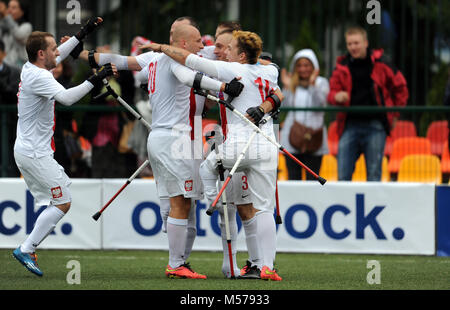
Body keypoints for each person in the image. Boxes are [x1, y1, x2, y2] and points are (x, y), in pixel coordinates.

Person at [82, 24, 244, 279]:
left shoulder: (154, 58)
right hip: (176, 138)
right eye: (198, 41)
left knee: (181, 203)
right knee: (181, 202)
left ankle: (180, 260)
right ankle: (176, 263)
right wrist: (223, 89)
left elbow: (120, 61)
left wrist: (83, 54)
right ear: (182, 44)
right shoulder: (172, 59)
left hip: (166, 137)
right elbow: (189, 78)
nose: (204, 46)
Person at [142, 30, 285, 281]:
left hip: (240, 144)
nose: (224, 52)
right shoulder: (271, 71)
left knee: (207, 169)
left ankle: (213, 200)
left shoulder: (231, 70)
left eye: (230, 49)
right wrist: (266, 104)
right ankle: (268, 267)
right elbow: (276, 84)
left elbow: (191, 61)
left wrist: (162, 47)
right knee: (264, 209)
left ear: (241, 55)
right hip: (266, 145)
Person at [11, 18, 115, 277]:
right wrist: (97, 78)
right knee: (63, 201)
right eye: (53, 48)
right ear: (41, 54)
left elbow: (60, 56)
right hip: (34, 152)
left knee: (60, 197)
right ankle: (27, 248)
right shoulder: (39, 76)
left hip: (32, 150)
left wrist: (83, 34)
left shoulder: (34, 67)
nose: (58, 52)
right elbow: (67, 98)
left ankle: (28, 247)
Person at [327, 26, 409, 181]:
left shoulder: (382, 63)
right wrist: (337, 96)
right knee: (343, 175)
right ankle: (343, 205)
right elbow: (331, 93)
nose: (353, 47)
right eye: (349, 44)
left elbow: (401, 87)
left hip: (376, 125)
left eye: (356, 43)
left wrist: (395, 115)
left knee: (373, 175)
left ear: (366, 43)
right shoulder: (341, 66)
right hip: (349, 125)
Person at [280, 49, 329, 180]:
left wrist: (313, 86)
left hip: (315, 138)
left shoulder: (321, 82)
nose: (303, 69)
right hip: (292, 138)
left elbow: (321, 104)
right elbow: (285, 107)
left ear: (313, 66)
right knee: (293, 178)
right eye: (300, 65)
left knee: (313, 179)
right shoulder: (292, 83)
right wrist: (287, 87)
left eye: (306, 65)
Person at [0, 37, 20, 177]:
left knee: (9, 159)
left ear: (3, 54)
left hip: (8, 125)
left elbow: (14, 96)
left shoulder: (14, 72)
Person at [0, 0, 32, 68]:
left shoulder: (27, 26)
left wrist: (6, 15)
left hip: (18, 66)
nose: (9, 10)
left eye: (13, 8)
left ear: (22, 11)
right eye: (8, 7)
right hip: (5, 64)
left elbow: (18, 35)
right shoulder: (5, 25)